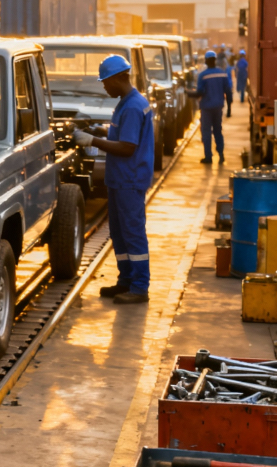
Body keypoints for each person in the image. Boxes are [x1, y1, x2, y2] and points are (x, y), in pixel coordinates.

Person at [72, 55, 154, 305]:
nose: (104, 87)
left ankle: (139, 287)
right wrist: (100, 131)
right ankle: (126, 281)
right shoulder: (127, 102)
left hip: (129, 180)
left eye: (106, 82)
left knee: (132, 232)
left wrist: (92, 141)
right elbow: (123, 134)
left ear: (120, 78)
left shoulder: (130, 106)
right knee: (119, 233)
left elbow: (128, 147)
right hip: (121, 180)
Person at [188, 50, 233, 165]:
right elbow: (228, 91)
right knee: (218, 131)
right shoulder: (222, 73)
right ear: (215, 59)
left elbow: (200, 92)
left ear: (207, 61)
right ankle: (221, 154)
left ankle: (208, 157)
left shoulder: (203, 76)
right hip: (218, 107)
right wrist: (229, 109)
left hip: (207, 108)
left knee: (206, 132)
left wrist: (188, 93)